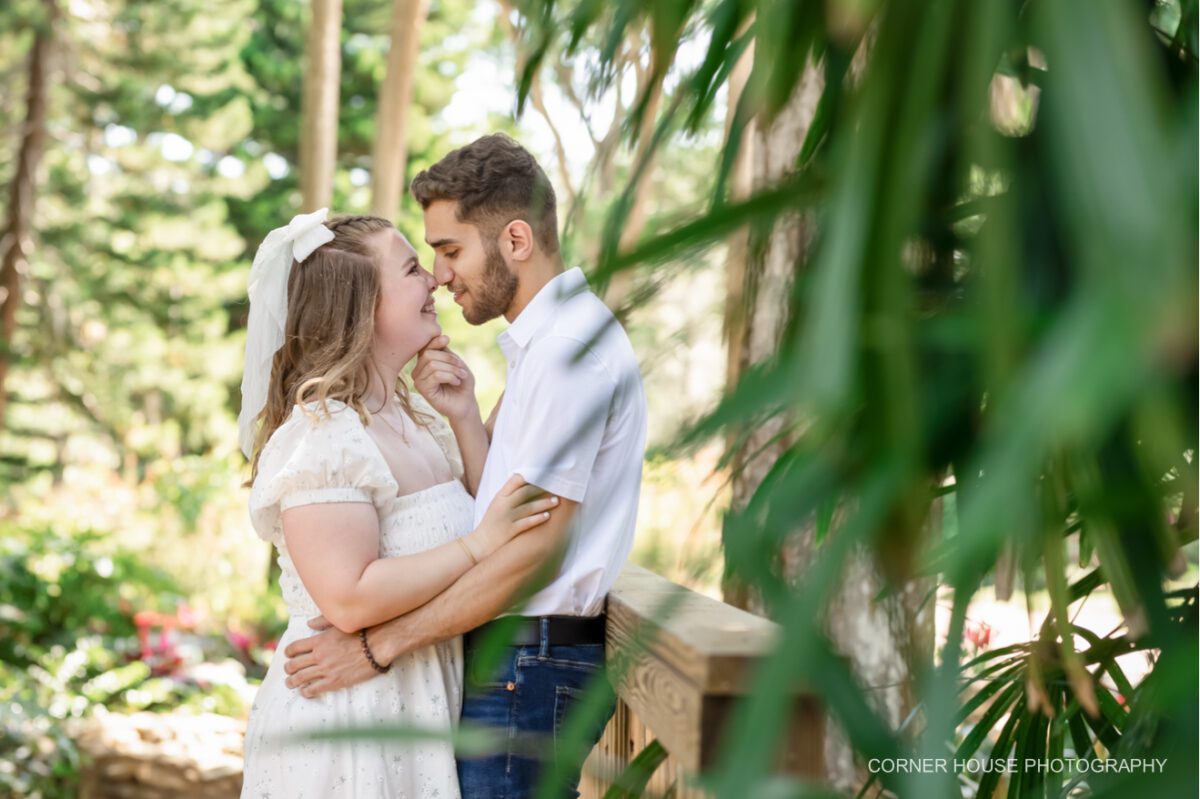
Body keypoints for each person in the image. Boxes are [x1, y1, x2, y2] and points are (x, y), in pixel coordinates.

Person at [282, 134, 648, 798]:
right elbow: (500, 509)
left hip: (529, 660)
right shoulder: (544, 346)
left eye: (450, 251)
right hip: (518, 660)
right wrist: (463, 416)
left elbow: (529, 551)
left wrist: (377, 646)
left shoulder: (566, 349)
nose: (441, 275)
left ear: (514, 240)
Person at [238, 209, 559, 797]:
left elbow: (494, 515)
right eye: (412, 269)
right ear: (362, 307)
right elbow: (349, 596)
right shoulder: (324, 434)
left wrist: (464, 416)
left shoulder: (417, 420)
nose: (435, 280)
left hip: (415, 706)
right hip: (348, 721)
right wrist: (475, 545)